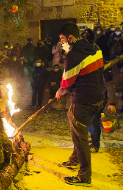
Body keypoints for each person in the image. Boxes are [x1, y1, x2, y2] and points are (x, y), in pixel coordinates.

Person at [56, 23, 104, 186]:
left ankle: (84, 176)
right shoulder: (94, 47)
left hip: (83, 99)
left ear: (70, 38)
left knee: (80, 136)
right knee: (73, 121)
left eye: (62, 39)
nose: (62, 43)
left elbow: (67, 82)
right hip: (98, 96)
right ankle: (75, 158)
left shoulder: (73, 56)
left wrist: (60, 91)